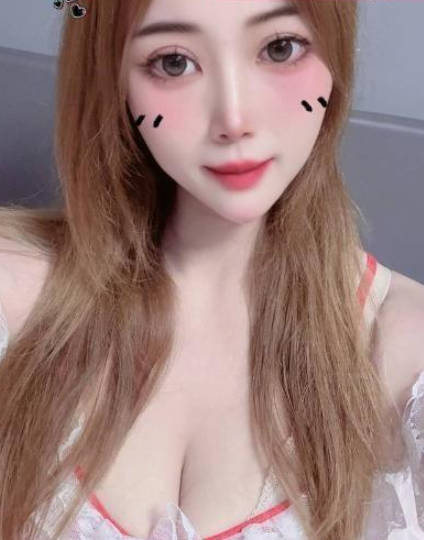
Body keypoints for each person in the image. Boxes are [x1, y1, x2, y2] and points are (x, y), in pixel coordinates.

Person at [0, 0, 423, 538]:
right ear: (113, 79)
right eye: (174, 62)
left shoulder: (407, 353)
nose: (234, 119)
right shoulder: (13, 295)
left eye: (280, 49)